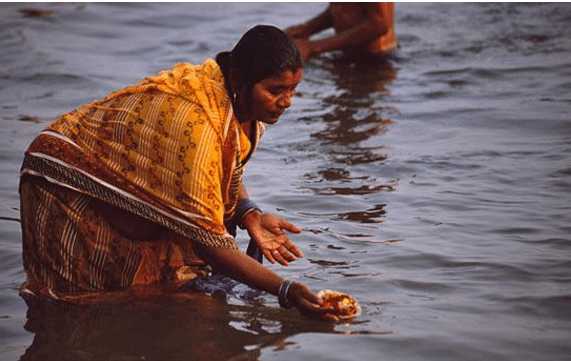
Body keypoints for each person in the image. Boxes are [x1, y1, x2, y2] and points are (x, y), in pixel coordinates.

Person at [19, 25, 332, 318]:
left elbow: (222, 168)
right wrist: (285, 289)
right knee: (84, 309)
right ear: (239, 80)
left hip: (116, 175)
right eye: (276, 90)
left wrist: (249, 214)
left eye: (293, 90)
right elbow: (209, 243)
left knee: (167, 295)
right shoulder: (198, 124)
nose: (287, 102)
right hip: (62, 178)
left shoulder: (242, 104)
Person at [286, 3, 397, 62]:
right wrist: (306, 29)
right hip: (347, 56)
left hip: (376, 61)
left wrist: (313, 47)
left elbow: (380, 24)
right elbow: (343, 8)